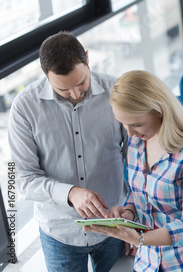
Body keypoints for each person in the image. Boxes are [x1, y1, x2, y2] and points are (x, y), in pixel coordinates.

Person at [85, 70, 183, 272]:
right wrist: (128, 212)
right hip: (150, 263)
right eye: (123, 124)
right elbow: (138, 192)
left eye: (137, 124)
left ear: (159, 110)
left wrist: (140, 238)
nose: (129, 133)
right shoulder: (136, 142)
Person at [8, 32, 128, 271]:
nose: (75, 94)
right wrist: (70, 193)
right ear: (45, 74)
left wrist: (138, 217)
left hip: (116, 222)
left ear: (87, 58)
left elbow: (138, 157)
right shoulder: (24, 108)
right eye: (64, 89)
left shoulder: (117, 90)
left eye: (82, 82)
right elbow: (24, 179)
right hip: (60, 233)